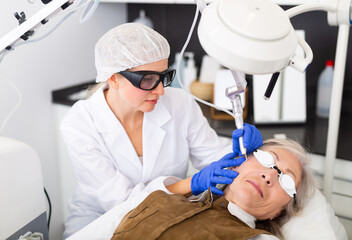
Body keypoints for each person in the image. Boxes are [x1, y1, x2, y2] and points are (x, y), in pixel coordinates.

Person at [60, 22, 262, 238]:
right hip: (99, 218)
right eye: (147, 79)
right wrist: (191, 184)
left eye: (163, 77)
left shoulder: (180, 103)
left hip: (167, 212)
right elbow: (121, 201)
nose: (160, 91)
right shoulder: (79, 124)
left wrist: (243, 151)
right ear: (113, 78)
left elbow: (211, 156)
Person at [111, 138, 316, 240]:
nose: (269, 175)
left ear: (277, 212)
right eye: (267, 159)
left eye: (286, 179)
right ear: (238, 162)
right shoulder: (161, 198)